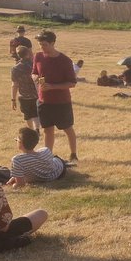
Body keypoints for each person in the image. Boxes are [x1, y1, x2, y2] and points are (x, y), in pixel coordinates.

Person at [32, 30, 78, 162]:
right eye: (40, 44)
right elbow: (34, 72)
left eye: (45, 44)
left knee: (67, 128)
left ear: (53, 43)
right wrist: (37, 79)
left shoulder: (65, 61)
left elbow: (72, 83)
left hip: (61, 102)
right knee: (47, 130)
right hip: (43, 101)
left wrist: (52, 86)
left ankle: (73, 154)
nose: (42, 47)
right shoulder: (38, 56)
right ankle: (48, 156)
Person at [9, 47, 40, 129]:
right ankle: (37, 129)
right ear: (28, 54)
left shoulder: (15, 69)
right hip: (36, 94)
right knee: (35, 113)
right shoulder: (34, 65)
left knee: (27, 115)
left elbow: (14, 85)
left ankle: (31, 129)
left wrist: (13, 99)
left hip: (23, 95)